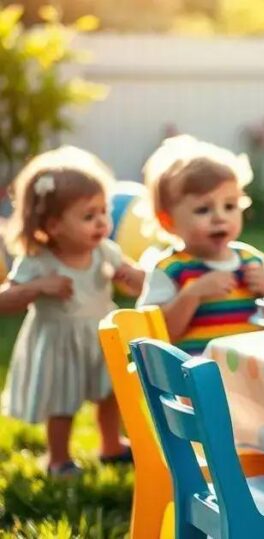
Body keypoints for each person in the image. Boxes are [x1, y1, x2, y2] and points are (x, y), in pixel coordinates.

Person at [0, 146, 143, 476]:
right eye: (88, 216)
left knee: (111, 393)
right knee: (62, 403)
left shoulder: (105, 251)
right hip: (58, 342)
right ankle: (59, 458)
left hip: (101, 337)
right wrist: (38, 288)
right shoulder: (38, 261)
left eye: (103, 212)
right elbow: (6, 301)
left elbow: (136, 284)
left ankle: (111, 444)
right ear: (53, 225)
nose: (101, 223)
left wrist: (133, 277)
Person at [137, 135, 264, 355]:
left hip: (252, 377)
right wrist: (192, 295)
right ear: (168, 221)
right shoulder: (169, 269)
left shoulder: (252, 261)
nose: (219, 218)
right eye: (203, 209)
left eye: (230, 206)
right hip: (195, 383)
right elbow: (156, 335)